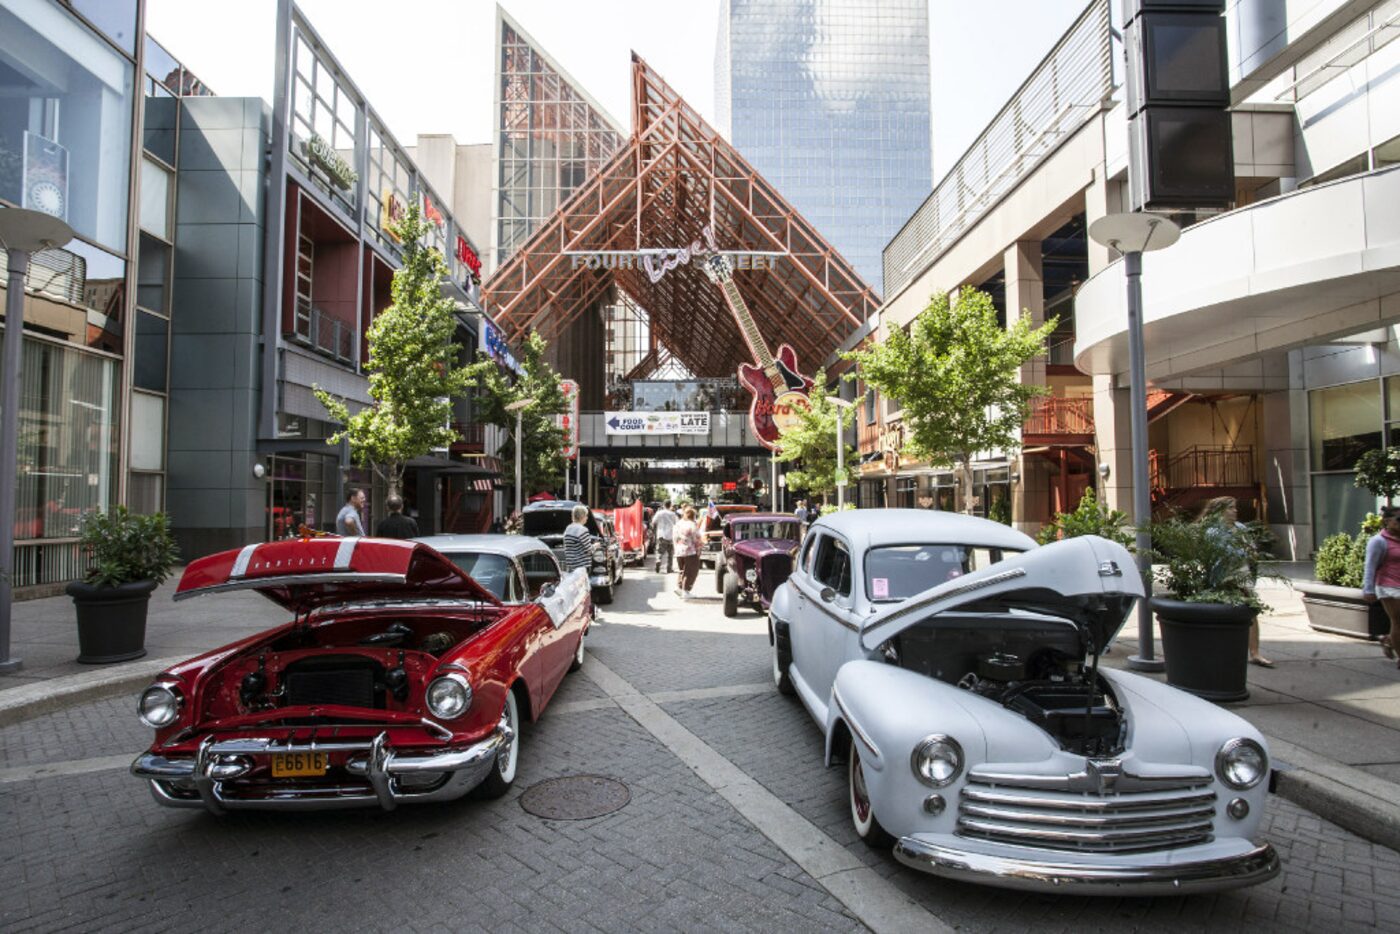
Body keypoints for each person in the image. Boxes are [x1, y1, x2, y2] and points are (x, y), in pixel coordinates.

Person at [1202, 496, 1272, 667]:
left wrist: (1249, 553)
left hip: (1244, 573)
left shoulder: (1240, 528)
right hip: (1225, 576)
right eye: (1231, 508)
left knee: (1251, 611)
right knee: (1227, 613)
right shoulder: (1213, 531)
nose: (1235, 511)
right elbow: (1223, 554)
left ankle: (1254, 652)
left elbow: (1251, 551)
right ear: (1220, 512)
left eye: (1235, 507)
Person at [1361, 505, 1400, 669]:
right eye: (1399, 520)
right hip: (1388, 587)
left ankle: (1389, 640)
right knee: (1398, 621)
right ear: (1387, 521)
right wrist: (1368, 589)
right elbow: (1370, 566)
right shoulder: (1378, 541)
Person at [673, 505, 703, 599]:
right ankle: (685, 591)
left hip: (678, 550)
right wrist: (699, 550)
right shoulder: (692, 525)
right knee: (691, 571)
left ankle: (680, 588)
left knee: (682, 570)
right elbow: (697, 539)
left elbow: (674, 537)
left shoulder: (678, 524)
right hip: (689, 551)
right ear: (693, 516)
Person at [562, 504, 595, 573]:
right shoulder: (582, 530)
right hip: (581, 567)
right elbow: (589, 550)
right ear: (582, 516)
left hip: (570, 566)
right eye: (586, 515)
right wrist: (595, 546)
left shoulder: (568, 528)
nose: (587, 518)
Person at [651, 500, 678, 574]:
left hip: (661, 535)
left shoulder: (659, 513)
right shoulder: (673, 514)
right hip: (671, 536)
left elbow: (653, 522)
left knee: (659, 551)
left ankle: (658, 560)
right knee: (670, 554)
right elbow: (677, 524)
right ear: (670, 505)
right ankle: (669, 569)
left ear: (663, 505)